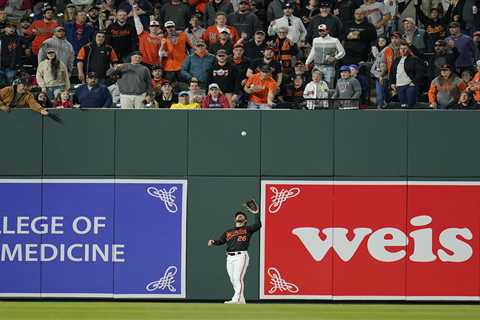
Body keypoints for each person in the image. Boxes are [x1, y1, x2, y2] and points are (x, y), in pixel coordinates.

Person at [207, 199, 261, 304]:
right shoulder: (228, 232)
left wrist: (256, 214)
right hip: (229, 257)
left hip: (241, 256)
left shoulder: (248, 229)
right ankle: (241, 300)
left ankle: (236, 299)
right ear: (234, 219)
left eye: (242, 216)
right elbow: (221, 241)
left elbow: (258, 225)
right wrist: (213, 241)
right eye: (238, 215)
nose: (239, 216)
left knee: (238, 278)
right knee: (233, 279)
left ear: (245, 220)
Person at [305, 24, 345, 88]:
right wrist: (307, 62)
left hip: (329, 67)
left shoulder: (334, 40)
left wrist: (335, 58)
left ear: (327, 31)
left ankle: (327, 98)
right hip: (317, 67)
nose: (321, 32)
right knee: (316, 85)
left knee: (328, 87)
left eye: (323, 30)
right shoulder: (315, 40)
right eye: (320, 31)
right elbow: (313, 52)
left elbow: (342, 52)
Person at [389, 42, 427, 108]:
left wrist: (414, 82)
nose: (403, 50)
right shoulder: (396, 60)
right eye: (401, 48)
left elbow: (420, 72)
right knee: (403, 106)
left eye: (405, 48)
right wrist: (392, 83)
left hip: (410, 85)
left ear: (409, 49)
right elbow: (392, 72)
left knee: (410, 105)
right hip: (399, 86)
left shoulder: (414, 59)